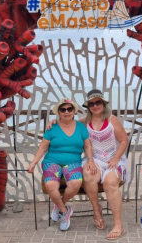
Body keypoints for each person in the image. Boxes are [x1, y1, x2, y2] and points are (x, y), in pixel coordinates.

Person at [48, 90, 128, 240]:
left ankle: (118, 225)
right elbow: (66, 122)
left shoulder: (112, 120)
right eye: (92, 103)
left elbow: (124, 140)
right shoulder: (84, 121)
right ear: (88, 106)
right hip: (94, 159)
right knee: (88, 174)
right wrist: (54, 121)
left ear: (103, 104)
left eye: (98, 102)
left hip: (113, 159)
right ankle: (96, 210)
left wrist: (116, 158)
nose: (95, 105)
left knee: (110, 183)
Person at [28, 98, 95, 231]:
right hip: (52, 161)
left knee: (75, 183)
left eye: (69, 109)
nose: (66, 112)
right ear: (58, 112)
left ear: (74, 111)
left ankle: (60, 205)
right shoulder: (52, 127)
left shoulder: (81, 127)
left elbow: (87, 146)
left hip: (73, 161)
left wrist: (90, 160)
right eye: (63, 109)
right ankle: (64, 211)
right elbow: (42, 147)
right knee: (50, 185)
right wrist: (34, 162)